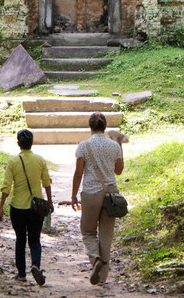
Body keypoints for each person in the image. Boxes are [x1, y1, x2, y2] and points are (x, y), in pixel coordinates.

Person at [71, 112, 124, 286]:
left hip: (91, 193)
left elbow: (79, 173)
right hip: (111, 195)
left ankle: (95, 260)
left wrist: (73, 195)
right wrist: (120, 145)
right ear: (104, 126)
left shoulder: (84, 146)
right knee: (106, 238)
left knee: (87, 231)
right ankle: (102, 279)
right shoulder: (114, 146)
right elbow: (118, 171)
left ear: (90, 127)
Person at [0, 128, 54, 286]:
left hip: (17, 207)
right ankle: (36, 265)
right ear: (32, 143)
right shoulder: (40, 160)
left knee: (20, 240)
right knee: (35, 240)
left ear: (18, 144)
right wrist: (49, 202)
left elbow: (6, 186)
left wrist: (1, 206)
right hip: (36, 208)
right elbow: (47, 183)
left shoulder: (13, 162)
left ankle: (22, 274)